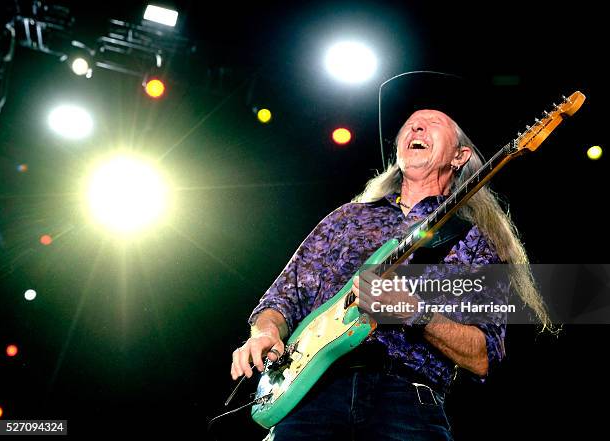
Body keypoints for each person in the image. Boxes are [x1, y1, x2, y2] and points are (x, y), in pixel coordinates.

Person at [230, 71, 551, 440]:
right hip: (311, 395)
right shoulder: (347, 218)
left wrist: (414, 313)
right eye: (411, 126)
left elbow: (482, 354)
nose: (416, 129)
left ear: (461, 155)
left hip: (406, 400)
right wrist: (265, 332)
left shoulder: (476, 239)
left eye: (432, 124)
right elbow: (282, 298)